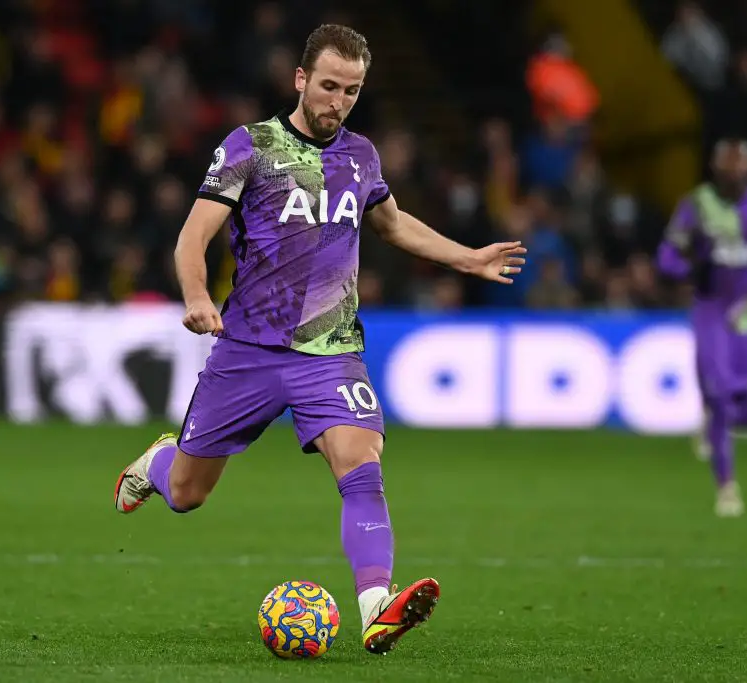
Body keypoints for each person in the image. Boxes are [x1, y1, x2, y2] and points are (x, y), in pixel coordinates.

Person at [112, 24, 527, 655]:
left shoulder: (361, 155)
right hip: (247, 349)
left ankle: (375, 607)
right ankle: (160, 462)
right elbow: (192, 237)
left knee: (361, 462)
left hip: (330, 351)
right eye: (329, 86)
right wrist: (196, 296)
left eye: (352, 91)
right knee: (190, 495)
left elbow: (391, 225)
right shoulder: (250, 147)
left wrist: (467, 259)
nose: (338, 101)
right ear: (301, 80)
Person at [656, 139, 747, 518]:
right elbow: (666, 256)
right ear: (715, 169)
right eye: (727, 167)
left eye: (740, 167)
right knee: (717, 393)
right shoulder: (696, 206)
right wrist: (684, 271)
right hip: (711, 308)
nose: (733, 174)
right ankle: (727, 486)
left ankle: (714, 423)